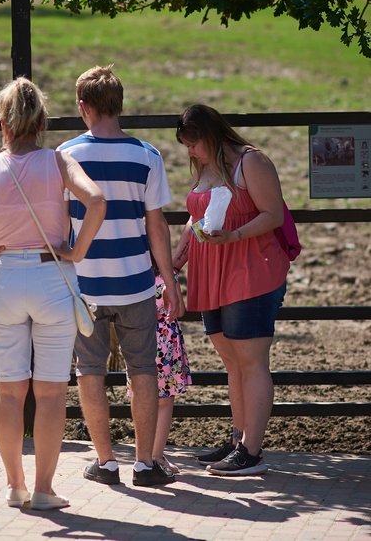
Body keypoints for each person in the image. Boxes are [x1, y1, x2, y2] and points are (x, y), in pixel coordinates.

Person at [0, 78, 105, 510]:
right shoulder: (60, 161)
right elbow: (97, 201)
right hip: (52, 279)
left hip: (5, 277)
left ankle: (15, 485)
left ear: (1, 122)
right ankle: (45, 489)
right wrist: (77, 250)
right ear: (42, 120)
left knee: (8, 391)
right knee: (49, 393)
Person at [57, 65, 185, 487]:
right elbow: (156, 227)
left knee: (89, 370)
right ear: (120, 104)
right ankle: (146, 463)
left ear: (84, 106)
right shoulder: (147, 155)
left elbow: (60, 224)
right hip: (136, 283)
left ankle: (106, 461)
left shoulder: (66, 156)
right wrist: (169, 282)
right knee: (143, 369)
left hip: (86, 283)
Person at [172, 103, 289, 476]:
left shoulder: (251, 162)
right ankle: (239, 438)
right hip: (214, 269)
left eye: (192, 144)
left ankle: (251, 451)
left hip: (251, 268)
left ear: (210, 135)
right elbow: (196, 217)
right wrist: (179, 254)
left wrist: (235, 235)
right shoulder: (208, 165)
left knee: (251, 359)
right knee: (231, 358)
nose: (189, 151)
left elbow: (273, 214)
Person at [126, 266, 192, 476]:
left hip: (139, 341)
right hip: (165, 344)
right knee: (164, 402)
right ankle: (156, 455)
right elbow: (179, 311)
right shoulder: (168, 276)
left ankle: (144, 455)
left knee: (141, 397)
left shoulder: (131, 273)